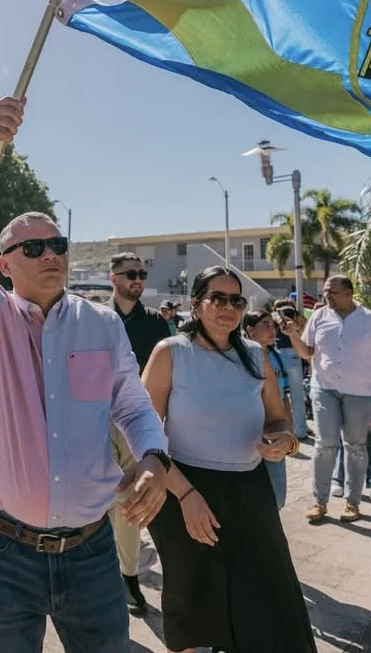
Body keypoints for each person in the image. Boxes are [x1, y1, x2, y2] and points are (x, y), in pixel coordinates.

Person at [0, 96, 170, 653]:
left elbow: (132, 406)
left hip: (91, 553)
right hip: (2, 554)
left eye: (57, 244)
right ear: (6, 264)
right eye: (33, 247)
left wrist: (154, 459)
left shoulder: (102, 324)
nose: (50, 255)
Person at [142, 266, 316, 653]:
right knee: (191, 596)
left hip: (249, 488)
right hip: (182, 488)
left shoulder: (256, 356)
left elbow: (278, 417)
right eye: (217, 298)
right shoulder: (170, 353)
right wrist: (186, 496)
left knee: (265, 590)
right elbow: (145, 434)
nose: (228, 308)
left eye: (235, 300)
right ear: (196, 304)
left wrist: (284, 440)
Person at [282, 275, 371, 524]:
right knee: (324, 445)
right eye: (326, 292)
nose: (327, 296)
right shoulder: (319, 316)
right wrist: (294, 335)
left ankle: (352, 502)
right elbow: (307, 353)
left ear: (348, 292)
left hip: (360, 393)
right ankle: (319, 501)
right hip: (324, 389)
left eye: (333, 292)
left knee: (356, 446)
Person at [108, 251, 173, 617]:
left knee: (131, 503)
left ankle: (128, 575)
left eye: (141, 273)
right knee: (99, 500)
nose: (137, 279)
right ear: (112, 276)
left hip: (140, 422)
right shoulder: (97, 319)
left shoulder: (155, 323)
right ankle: (101, 571)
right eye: (130, 273)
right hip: (99, 421)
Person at [243, 308, 295, 509]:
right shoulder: (242, 358)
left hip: (275, 431)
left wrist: (288, 432)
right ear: (249, 329)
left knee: (278, 496)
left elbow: (285, 396)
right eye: (265, 325)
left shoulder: (278, 356)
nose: (272, 330)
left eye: (273, 325)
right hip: (251, 431)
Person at [272, 299, 310, 440]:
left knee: (279, 393)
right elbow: (305, 325)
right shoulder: (293, 312)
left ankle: (284, 430)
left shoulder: (273, 315)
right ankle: (301, 431)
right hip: (294, 353)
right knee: (297, 393)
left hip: (278, 355)